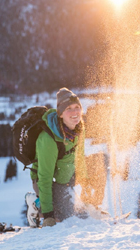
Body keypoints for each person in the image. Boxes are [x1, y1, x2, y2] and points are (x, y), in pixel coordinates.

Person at [25, 87, 89, 227]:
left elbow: (79, 157)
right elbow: (45, 177)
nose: (75, 112)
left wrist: (85, 185)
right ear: (60, 114)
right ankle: (36, 206)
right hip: (45, 180)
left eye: (77, 107)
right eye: (69, 109)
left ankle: (57, 204)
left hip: (64, 177)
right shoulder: (48, 139)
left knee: (80, 216)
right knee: (64, 219)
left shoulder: (79, 128)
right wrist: (48, 215)